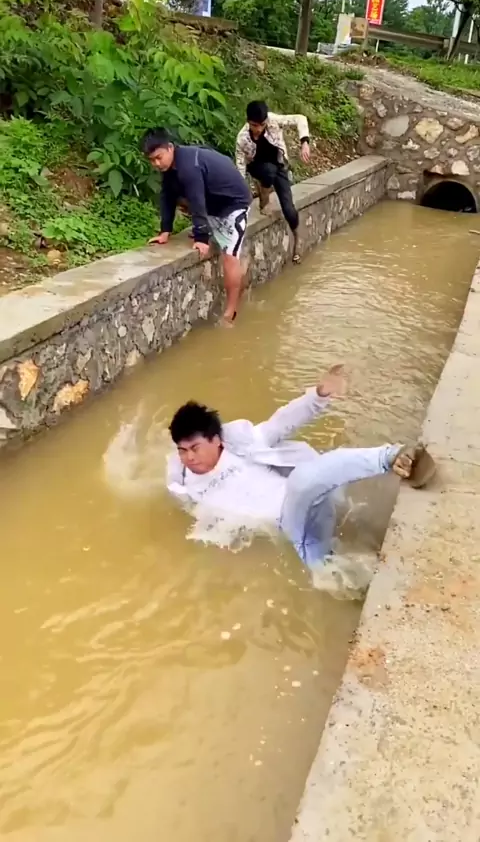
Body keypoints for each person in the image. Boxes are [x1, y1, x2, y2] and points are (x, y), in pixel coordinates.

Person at [166, 365, 436, 569]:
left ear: (216, 440)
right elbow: (205, 524)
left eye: (195, 448)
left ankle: (393, 457)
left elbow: (282, 422)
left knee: (306, 477)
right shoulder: (186, 486)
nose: (189, 457)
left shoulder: (240, 443)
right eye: (182, 450)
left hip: (300, 501)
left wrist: (319, 395)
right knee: (329, 576)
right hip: (292, 533)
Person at [142, 128, 252, 325]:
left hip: (234, 205)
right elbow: (167, 196)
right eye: (152, 160)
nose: (156, 164)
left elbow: (197, 199)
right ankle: (211, 234)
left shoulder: (188, 165)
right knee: (176, 194)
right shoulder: (172, 167)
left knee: (229, 256)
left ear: (170, 148)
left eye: (159, 158)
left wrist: (201, 238)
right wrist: (165, 231)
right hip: (213, 204)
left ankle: (231, 312)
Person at [235, 101, 311, 264]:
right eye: (254, 125)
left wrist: (304, 142)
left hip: (278, 165)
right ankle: (264, 199)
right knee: (268, 171)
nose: (258, 129)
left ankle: (297, 238)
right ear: (248, 122)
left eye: (262, 125)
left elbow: (300, 118)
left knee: (289, 209)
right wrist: (242, 192)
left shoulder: (273, 121)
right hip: (257, 167)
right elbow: (240, 166)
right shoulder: (242, 138)